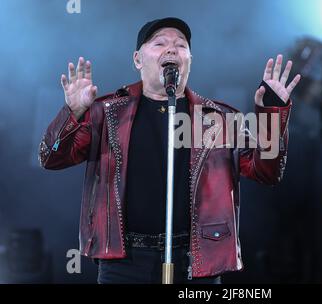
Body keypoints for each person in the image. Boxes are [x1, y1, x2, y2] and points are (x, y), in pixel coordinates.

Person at [38, 17, 301, 284]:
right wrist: (74, 113)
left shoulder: (217, 118)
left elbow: (266, 171)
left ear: (190, 59)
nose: (172, 49)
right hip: (124, 263)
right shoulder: (107, 114)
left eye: (181, 45)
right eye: (160, 43)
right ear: (138, 59)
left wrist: (272, 113)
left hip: (195, 262)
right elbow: (52, 157)